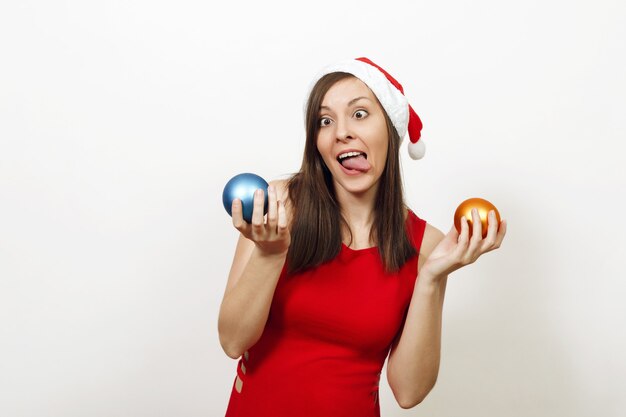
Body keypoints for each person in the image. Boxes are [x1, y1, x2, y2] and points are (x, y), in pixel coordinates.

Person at [218, 57, 507, 417]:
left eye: (359, 114)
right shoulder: (279, 205)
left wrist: (432, 278)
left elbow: (408, 391)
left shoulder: (425, 245)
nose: (341, 132)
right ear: (317, 143)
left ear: (390, 129)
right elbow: (232, 341)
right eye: (325, 121)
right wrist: (270, 253)